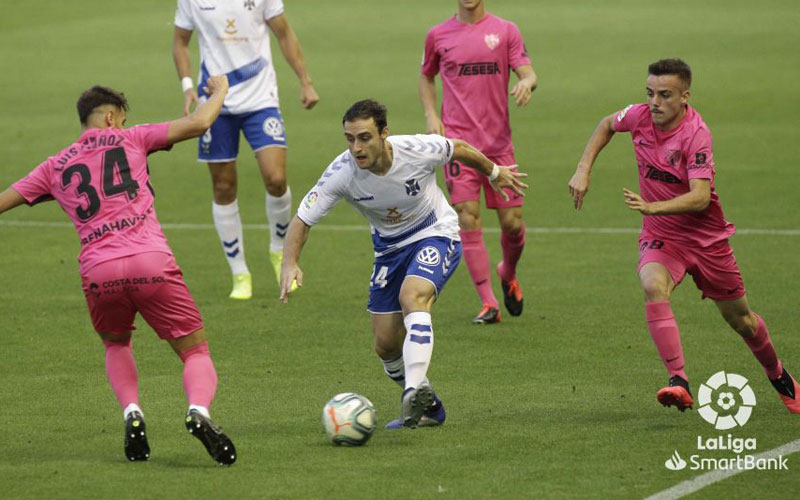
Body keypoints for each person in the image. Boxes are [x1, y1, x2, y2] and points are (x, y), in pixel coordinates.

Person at [0, 76, 240, 464]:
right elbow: (198, 123)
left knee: (116, 343)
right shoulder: (133, 139)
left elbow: (4, 200)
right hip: (151, 263)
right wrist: (222, 92)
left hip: (98, 272)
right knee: (195, 350)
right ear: (112, 118)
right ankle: (199, 411)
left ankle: (132, 413)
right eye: (123, 120)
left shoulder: (53, 166)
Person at [568, 58, 799, 414]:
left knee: (742, 321)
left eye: (664, 95)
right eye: (650, 93)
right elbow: (605, 125)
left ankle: (778, 374)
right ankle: (678, 381)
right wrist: (583, 170)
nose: (655, 102)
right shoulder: (639, 116)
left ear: (685, 97)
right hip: (662, 237)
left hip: (706, 240)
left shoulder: (696, 134)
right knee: (652, 286)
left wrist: (652, 207)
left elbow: (700, 197)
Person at [279, 100, 527, 427]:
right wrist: (289, 263)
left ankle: (412, 391)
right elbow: (301, 220)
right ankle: (430, 407)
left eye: (365, 137)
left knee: (413, 297)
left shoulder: (417, 149)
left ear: (384, 133)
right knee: (385, 344)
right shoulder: (341, 173)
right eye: (350, 139)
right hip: (388, 250)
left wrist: (495, 173)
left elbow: (460, 149)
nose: (357, 147)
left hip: (435, 232)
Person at [173, 0, 319, 300]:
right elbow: (180, 41)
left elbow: (284, 34)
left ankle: (280, 250)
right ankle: (239, 271)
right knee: (224, 186)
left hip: (261, 99)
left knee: (276, 179)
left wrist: (305, 81)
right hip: (215, 102)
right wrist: (187, 85)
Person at [419, 0, 537, 324]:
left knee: (512, 224)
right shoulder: (438, 35)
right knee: (467, 216)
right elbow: (426, 76)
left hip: (499, 146)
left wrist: (526, 82)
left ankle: (507, 271)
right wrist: (432, 115)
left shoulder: (505, 31)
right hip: (457, 145)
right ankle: (488, 303)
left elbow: (528, 72)